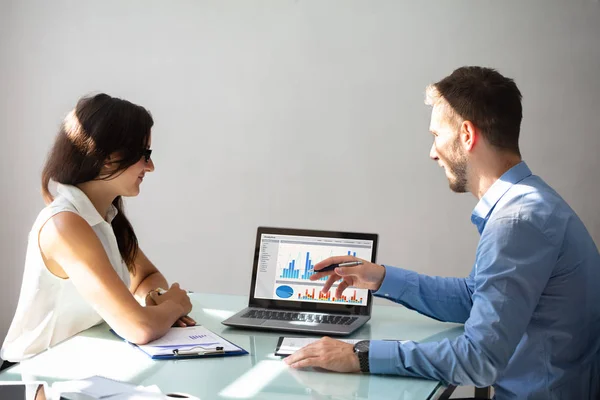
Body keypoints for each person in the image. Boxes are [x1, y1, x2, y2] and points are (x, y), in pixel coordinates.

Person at [284, 67, 600, 399]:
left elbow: (479, 360)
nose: (432, 152)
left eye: (436, 136)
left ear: (466, 134)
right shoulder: (531, 202)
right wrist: (380, 277)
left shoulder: (517, 221)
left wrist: (359, 355)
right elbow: (474, 298)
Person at [1, 93, 195, 362]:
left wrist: (156, 298)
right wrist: (174, 305)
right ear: (108, 157)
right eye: (144, 154)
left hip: (81, 365)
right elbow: (139, 327)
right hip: (35, 377)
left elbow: (147, 276)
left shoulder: (105, 217)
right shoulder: (65, 225)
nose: (150, 166)